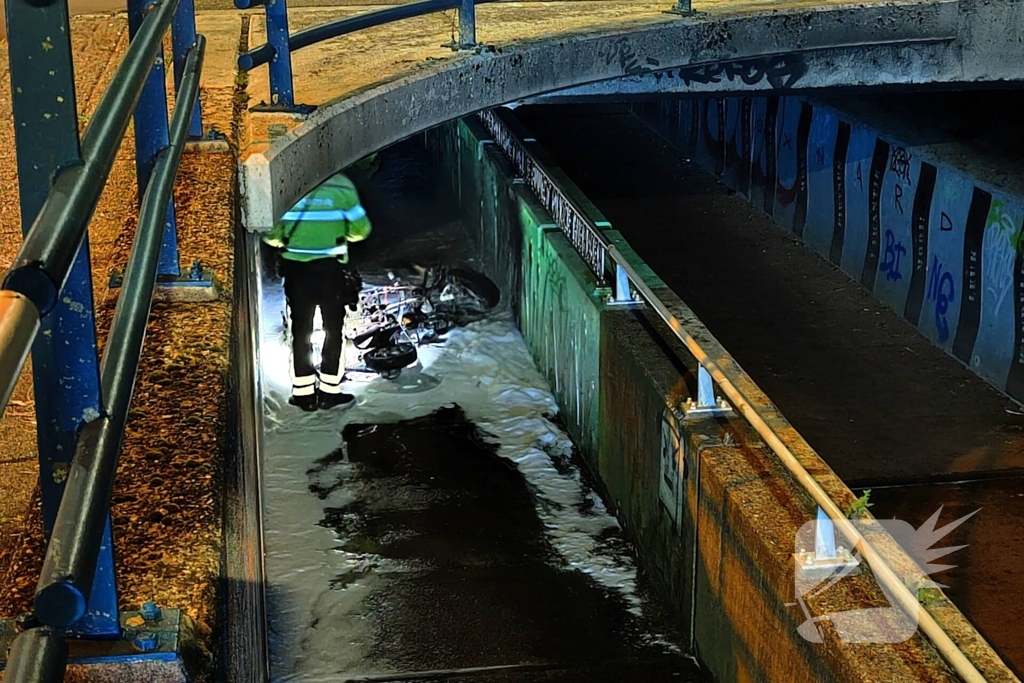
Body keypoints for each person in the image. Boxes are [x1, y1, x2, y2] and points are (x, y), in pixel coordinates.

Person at [262, 172, 372, 412]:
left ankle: (303, 393)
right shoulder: (342, 186)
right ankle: (329, 391)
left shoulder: (285, 184)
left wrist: (295, 239)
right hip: (330, 271)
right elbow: (361, 230)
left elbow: (271, 236)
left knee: (301, 329)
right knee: (334, 329)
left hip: (297, 272)